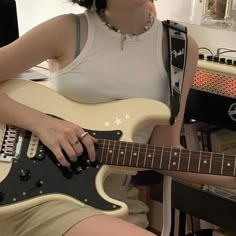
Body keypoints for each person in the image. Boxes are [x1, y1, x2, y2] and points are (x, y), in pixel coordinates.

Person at [0, 0, 235, 235]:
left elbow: (166, 150)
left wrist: (229, 178)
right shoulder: (67, 30)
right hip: (37, 191)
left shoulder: (181, 48)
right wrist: (42, 123)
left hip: (115, 195)